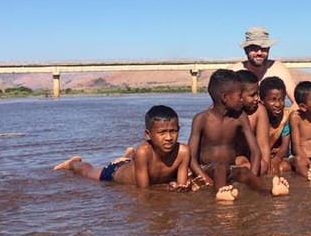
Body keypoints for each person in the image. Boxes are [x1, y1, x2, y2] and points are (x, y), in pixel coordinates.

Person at [188, 69, 290, 201]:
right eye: (239, 95)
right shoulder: (201, 119)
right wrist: (206, 180)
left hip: (230, 168)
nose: (242, 99)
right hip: (208, 168)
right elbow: (191, 158)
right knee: (220, 167)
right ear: (225, 97)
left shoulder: (240, 118)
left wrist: (252, 176)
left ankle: (269, 191)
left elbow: (256, 152)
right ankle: (220, 194)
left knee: (243, 172)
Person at [53, 105, 192, 189]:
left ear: (179, 129)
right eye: (162, 133)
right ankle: (73, 163)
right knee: (86, 171)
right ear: (148, 135)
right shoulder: (144, 152)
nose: (168, 137)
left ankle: (128, 155)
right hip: (115, 173)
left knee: (131, 161)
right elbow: (143, 192)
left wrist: (181, 189)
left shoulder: (183, 151)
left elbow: (181, 185)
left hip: (133, 165)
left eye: (173, 131)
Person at [230, 26, 297, 105]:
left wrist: (288, 112)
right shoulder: (234, 72)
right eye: (254, 48)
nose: (259, 53)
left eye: (263, 48)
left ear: (269, 49)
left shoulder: (279, 69)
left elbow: (297, 102)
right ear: (246, 50)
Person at [233, 69, 270, 174]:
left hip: (251, 159)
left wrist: (267, 175)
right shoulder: (219, 111)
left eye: (257, 93)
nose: (257, 98)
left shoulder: (259, 111)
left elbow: (263, 146)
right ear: (239, 95)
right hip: (229, 161)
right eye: (252, 95)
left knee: (262, 165)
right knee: (243, 163)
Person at [260, 76, 293, 175]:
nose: (278, 104)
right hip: (260, 156)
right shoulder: (256, 115)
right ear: (262, 100)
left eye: (281, 99)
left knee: (284, 167)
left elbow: (284, 147)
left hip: (278, 156)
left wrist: (275, 161)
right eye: (273, 100)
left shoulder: (286, 117)